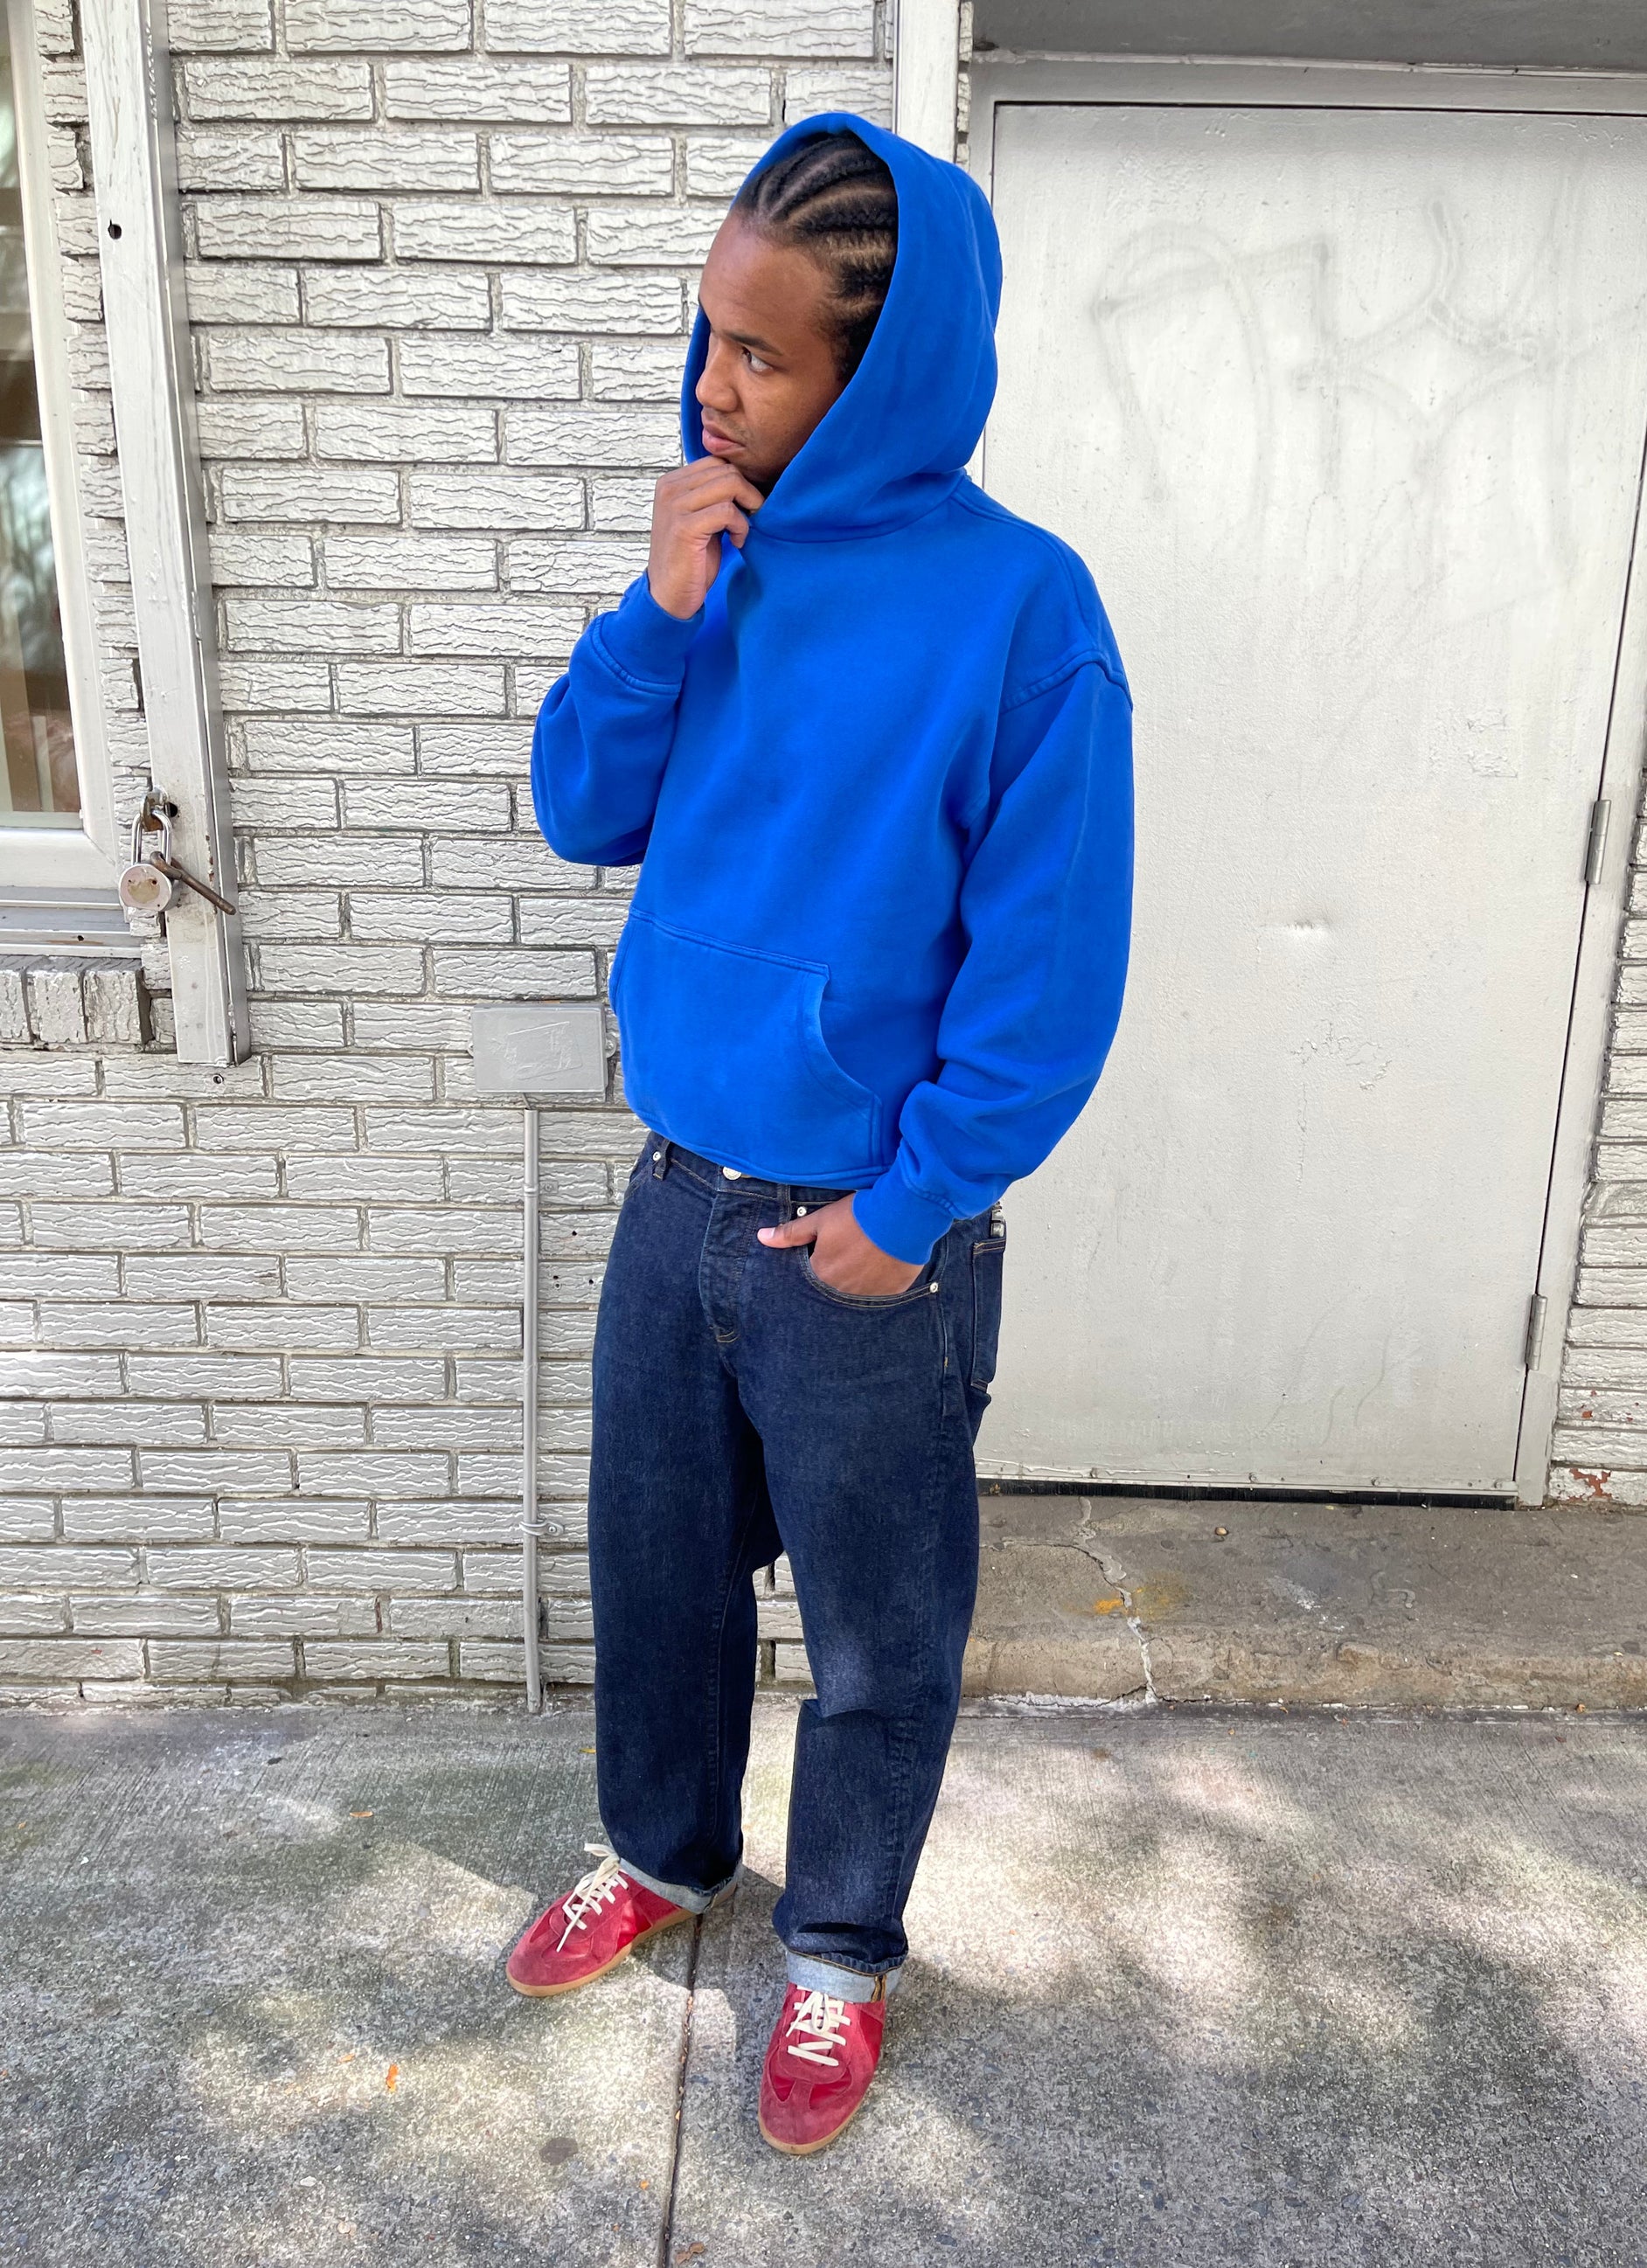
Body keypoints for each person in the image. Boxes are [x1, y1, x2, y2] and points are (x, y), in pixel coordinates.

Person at [509, 114, 1134, 2156]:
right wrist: (658, 611)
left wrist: (914, 1201)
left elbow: (1045, 971)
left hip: (861, 1241)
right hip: (675, 1189)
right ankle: (663, 1852)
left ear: (881, 372)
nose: (714, 384)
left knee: (877, 1634)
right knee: (658, 1579)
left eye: (762, 355)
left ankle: (842, 1946)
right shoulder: (720, 557)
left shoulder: (1023, 613)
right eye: (707, 333)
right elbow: (583, 807)